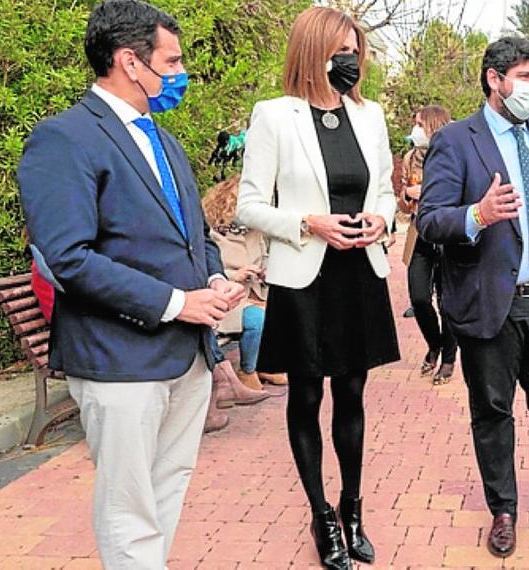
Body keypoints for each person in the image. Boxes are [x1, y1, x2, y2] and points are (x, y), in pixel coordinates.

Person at [17, 2, 246, 568]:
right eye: (172, 60)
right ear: (130, 62)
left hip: (186, 357)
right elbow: (67, 258)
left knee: (166, 490)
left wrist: (214, 278)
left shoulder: (163, 141)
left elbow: (193, 234)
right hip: (119, 357)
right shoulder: (64, 139)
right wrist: (175, 303)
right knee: (129, 507)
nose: (179, 72)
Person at [417, 37, 529, 559]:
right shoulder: (456, 140)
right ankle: (503, 510)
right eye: (524, 77)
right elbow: (430, 218)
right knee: (493, 411)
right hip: (488, 303)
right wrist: (478, 214)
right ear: (494, 79)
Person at [235, 7, 396, 569]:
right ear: (313, 53)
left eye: (355, 51)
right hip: (304, 275)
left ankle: (353, 508)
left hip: (360, 272)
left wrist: (381, 219)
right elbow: (249, 204)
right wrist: (309, 223)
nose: (350, 61)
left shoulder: (370, 115)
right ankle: (321, 514)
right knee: (306, 396)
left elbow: (387, 192)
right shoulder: (274, 116)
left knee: (352, 394)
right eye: (340, 52)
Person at [203, 174, 288, 388]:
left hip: (256, 292)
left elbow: (264, 257)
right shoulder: (212, 235)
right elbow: (206, 270)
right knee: (257, 320)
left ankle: (266, 365)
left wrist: (266, 272)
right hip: (229, 299)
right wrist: (235, 275)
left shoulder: (255, 232)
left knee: (284, 309)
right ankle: (247, 370)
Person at [398, 105, 458, 385]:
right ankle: (434, 344)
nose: (416, 129)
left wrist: (426, 191)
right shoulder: (410, 157)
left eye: (420, 124)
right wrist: (407, 196)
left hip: (448, 235)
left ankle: (448, 358)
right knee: (420, 297)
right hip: (419, 232)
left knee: (449, 302)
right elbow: (401, 200)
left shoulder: (455, 152)